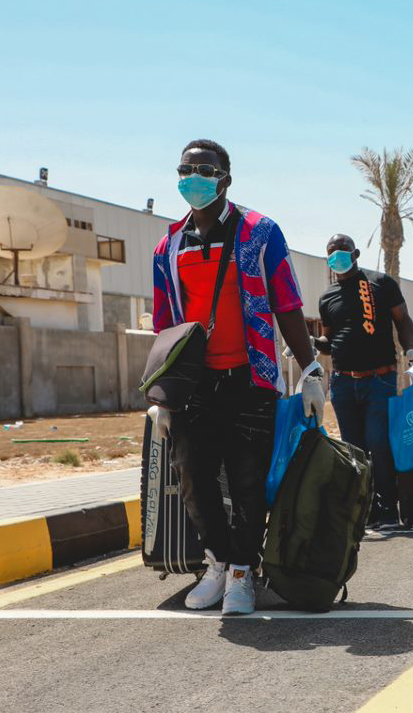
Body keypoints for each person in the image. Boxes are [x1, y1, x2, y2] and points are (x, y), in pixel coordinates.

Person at [152, 139, 323, 615]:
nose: (194, 178)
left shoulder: (260, 233)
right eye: (186, 169)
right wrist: (164, 397)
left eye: (204, 170)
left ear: (225, 179)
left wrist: (310, 369)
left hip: (251, 377)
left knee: (248, 479)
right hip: (195, 384)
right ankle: (219, 562)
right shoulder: (168, 246)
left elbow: (286, 304)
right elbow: (164, 323)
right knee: (193, 475)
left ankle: (244, 574)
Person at [315, 234, 413, 529]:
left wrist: (410, 349)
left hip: (379, 379)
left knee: (378, 442)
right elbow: (329, 338)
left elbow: (403, 320)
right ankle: (366, 509)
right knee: (353, 449)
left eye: (342, 252)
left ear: (356, 253)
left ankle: (388, 509)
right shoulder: (327, 297)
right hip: (343, 382)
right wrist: (311, 343)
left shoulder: (380, 283)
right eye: (331, 253)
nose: (337, 257)